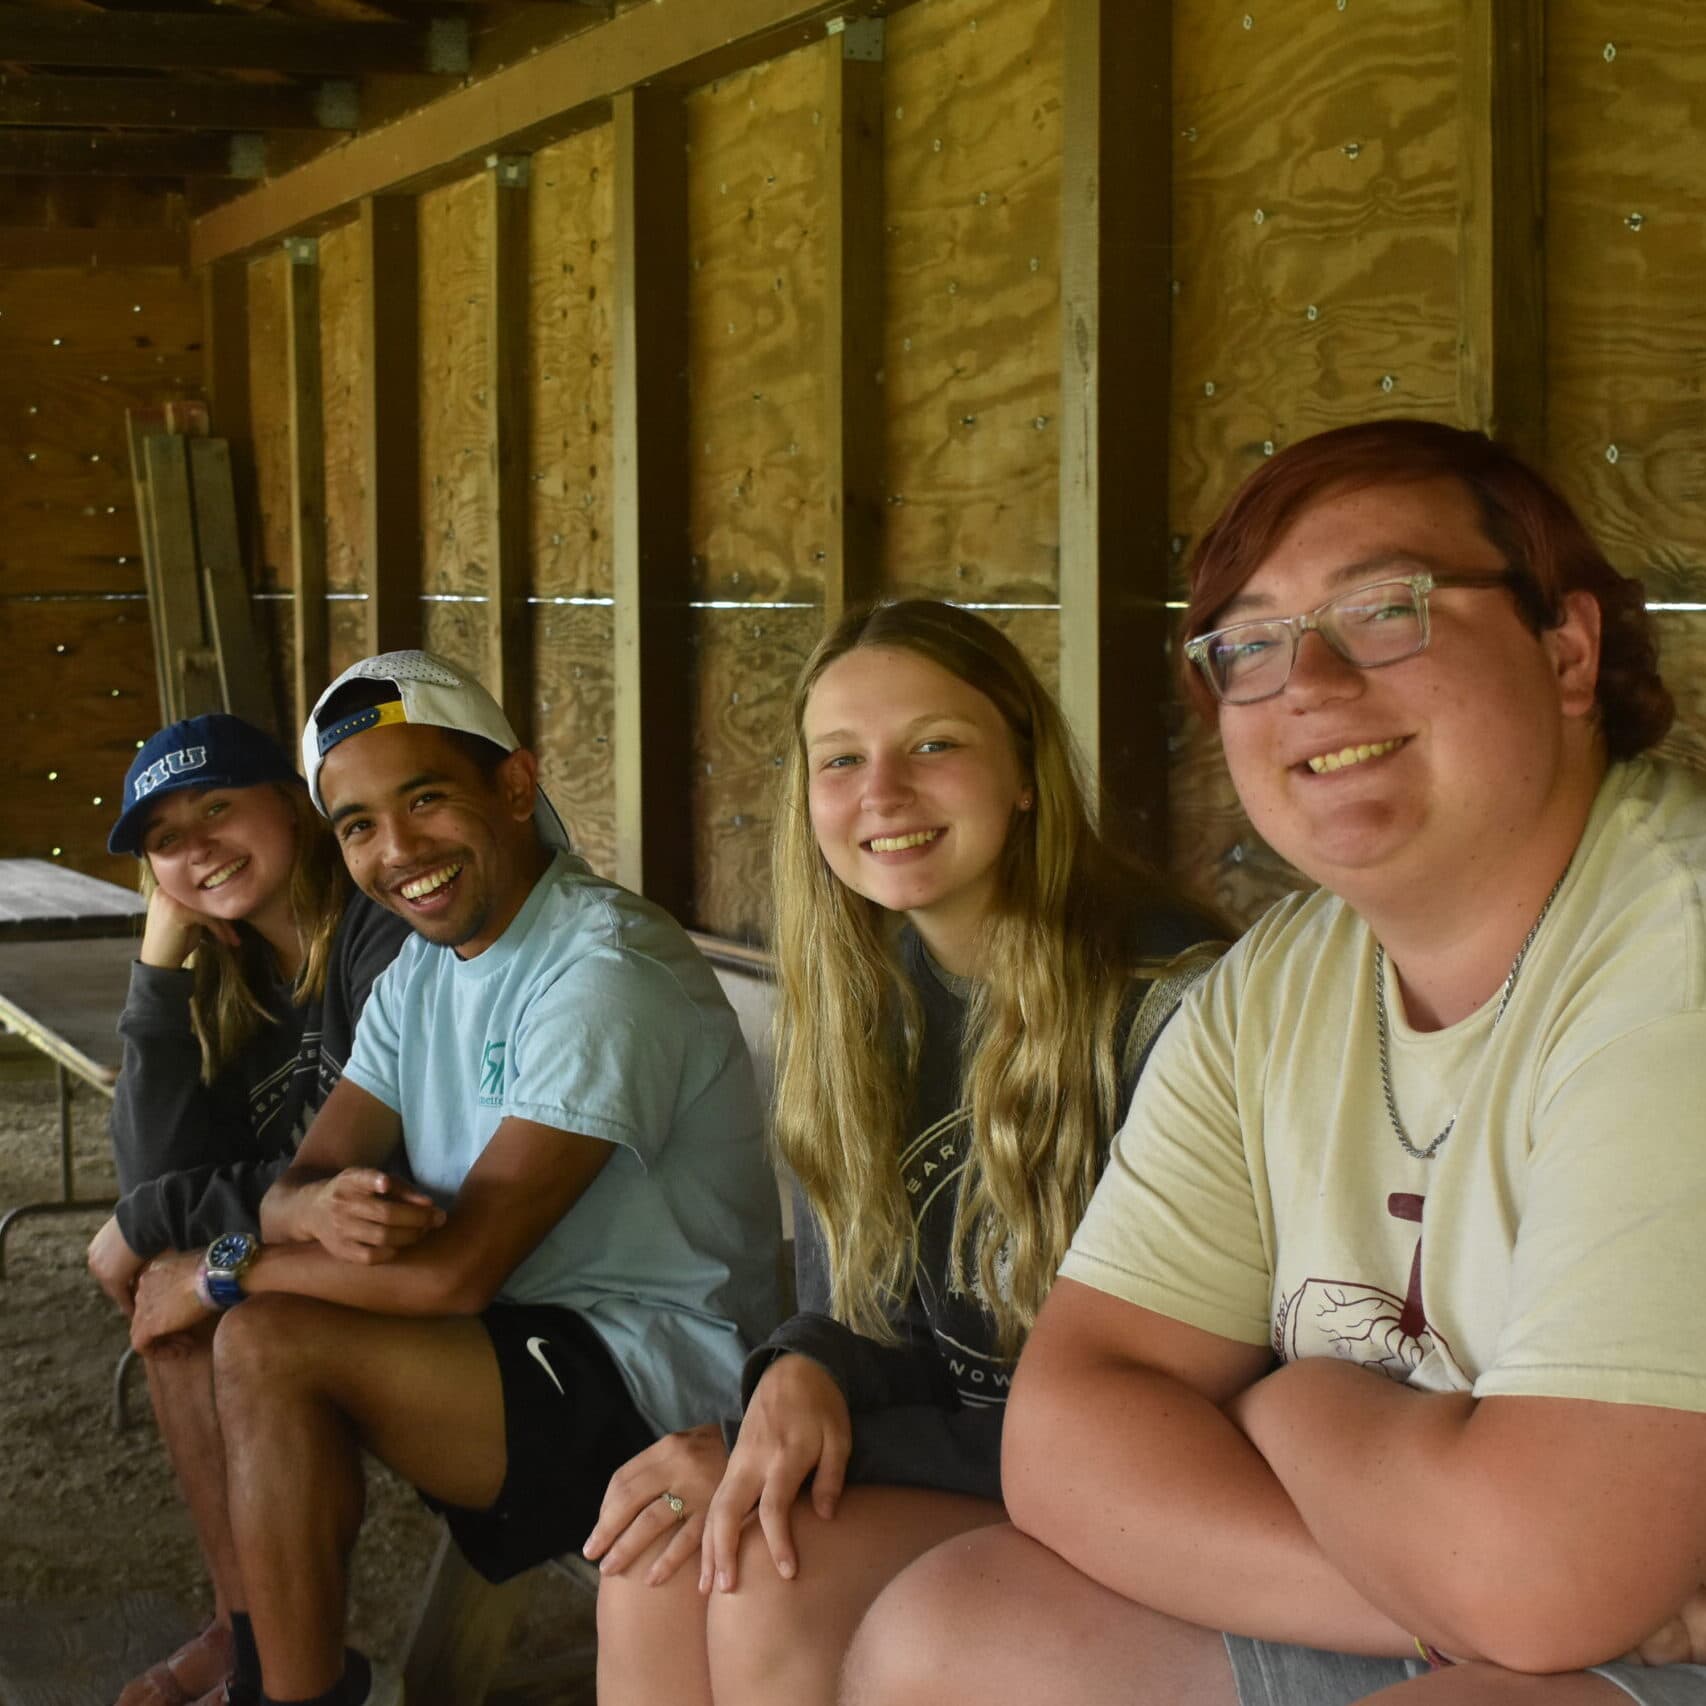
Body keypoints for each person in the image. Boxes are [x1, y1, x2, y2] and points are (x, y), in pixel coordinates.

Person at [839, 420, 1706, 1706]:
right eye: (1247, 643)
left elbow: (1545, 1572)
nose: (1306, 678)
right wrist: (1438, 1587)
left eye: (1382, 609)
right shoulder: (1275, 982)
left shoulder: (1669, 949)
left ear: (1565, 650)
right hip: (1501, 1590)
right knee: (949, 1632)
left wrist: (1295, 1403)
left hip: (1646, 1625)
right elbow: (1067, 1430)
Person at [586, 599, 1224, 1705]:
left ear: (1024, 770)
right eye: (841, 759)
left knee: (760, 1579)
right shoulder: (863, 1006)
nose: (881, 792)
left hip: (1155, 1499)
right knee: (663, 1558)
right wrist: (804, 1368)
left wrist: (811, 1439)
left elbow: (1196, 1409)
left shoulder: (1169, 1002)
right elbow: (879, 1321)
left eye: (933, 744)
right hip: (975, 1466)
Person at [127, 651, 781, 1706]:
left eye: (426, 798)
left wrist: (222, 1268)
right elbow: (308, 1176)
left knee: (261, 1334)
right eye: (358, 825)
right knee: (229, 1327)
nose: (398, 851)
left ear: (514, 786)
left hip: (662, 1384)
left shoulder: (602, 971)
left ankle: (298, 1695)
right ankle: (270, 1665)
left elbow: (454, 1273)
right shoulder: (427, 967)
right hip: (520, 1335)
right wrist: (297, 1214)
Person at [89, 712, 410, 1706]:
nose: (200, 846)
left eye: (219, 807)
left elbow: (386, 1170)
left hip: (425, 1251)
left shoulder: (378, 928)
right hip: (333, 1249)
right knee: (172, 1302)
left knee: (207, 1301)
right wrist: (159, 968)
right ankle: (246, 1640)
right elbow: (156, 1184)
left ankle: (278, 1666)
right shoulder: (234, 984)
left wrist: (159, 1227)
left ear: (292, 805)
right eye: (166, 839)